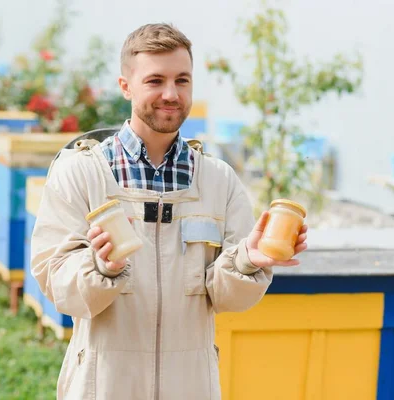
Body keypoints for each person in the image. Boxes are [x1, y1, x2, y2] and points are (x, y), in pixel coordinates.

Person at [31, 23, 308, 400]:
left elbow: (225, 297)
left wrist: (247, 261)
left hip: (191, 386)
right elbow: (56, 282)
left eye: (182, 80)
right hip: (104, 385)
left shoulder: (218, 179)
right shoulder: (80, 172)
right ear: (125, 86)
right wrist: (102, 268)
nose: (170, 94)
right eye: (155, 80)